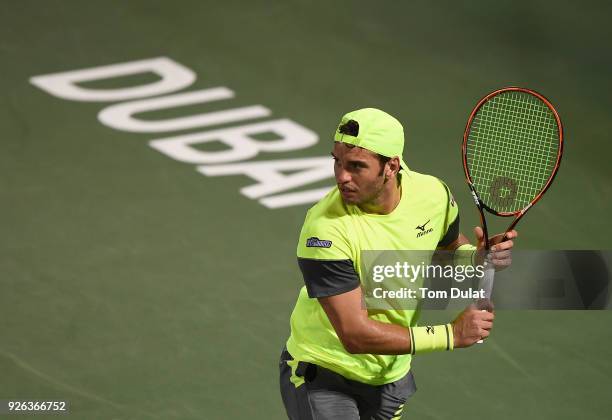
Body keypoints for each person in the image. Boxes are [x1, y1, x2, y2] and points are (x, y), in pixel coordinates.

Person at [279, 108, 517, 419]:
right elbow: (353, 333)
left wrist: (476, 258)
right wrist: (451, 335)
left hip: (389, 377)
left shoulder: (433, 196)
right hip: (324, 372)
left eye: (356, 166)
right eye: (337, 161)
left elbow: (444, 251)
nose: (341, 176)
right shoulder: (324, 230)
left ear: (392, 165)